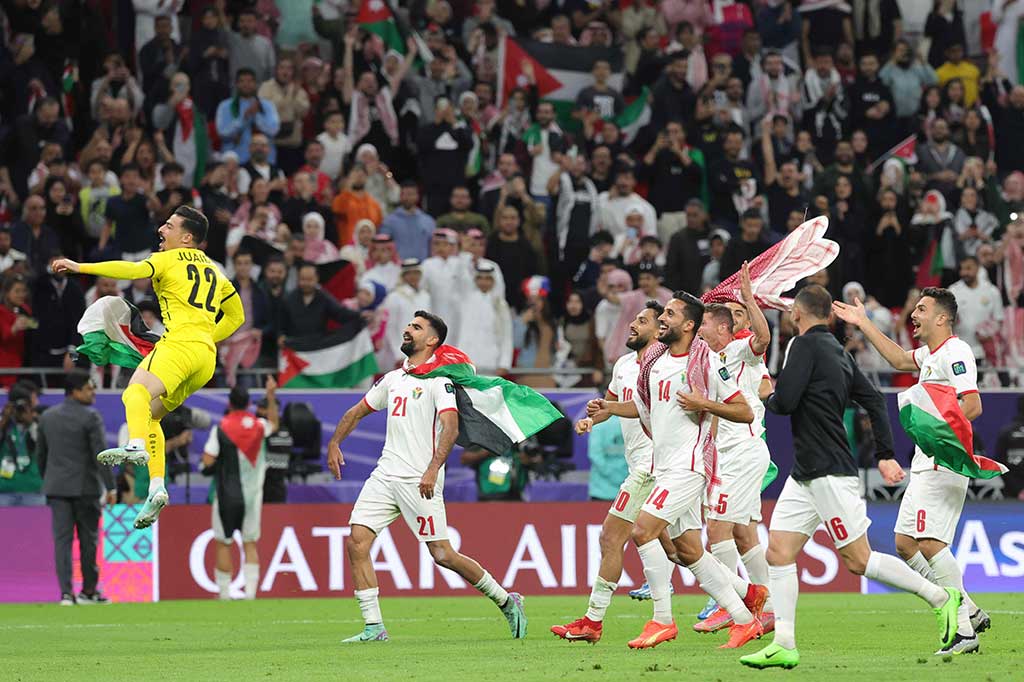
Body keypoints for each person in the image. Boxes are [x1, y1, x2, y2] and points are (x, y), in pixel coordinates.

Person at [740, 286, 963, 670]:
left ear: (796, 313)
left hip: (827, 471)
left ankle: (941, 598)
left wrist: (765, 393)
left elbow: (785, 403)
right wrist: (885, 454)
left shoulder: (802, 347)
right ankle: (784, 643)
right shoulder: (838, 353)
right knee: (778, 551)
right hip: (807, 472)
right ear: (829, 314)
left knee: (858, 560)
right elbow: (875, 399)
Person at [327, 311, 527, 642]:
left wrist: (433, 468)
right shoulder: (393, 379)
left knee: (443, 554)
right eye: (408, 325)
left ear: (432, 340)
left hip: (419, 479)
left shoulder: (439, 382)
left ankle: (507, 600)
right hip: (385, 475)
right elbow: (356, 411)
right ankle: (374, 626)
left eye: (416, 328)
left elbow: (450, 427)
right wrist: (335, 441)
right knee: (357, 541)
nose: (407, 330)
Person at [587, 293, 767, 650]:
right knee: (688, 551)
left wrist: (704, 403)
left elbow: (745, 412)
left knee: (642, 530)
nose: (663, 319)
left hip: (689, 466)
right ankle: (747, 612)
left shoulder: (708, 363)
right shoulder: (656, 363)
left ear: (689, 326)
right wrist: (606, 407)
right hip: (664, 465)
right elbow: (641, 408)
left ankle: (662, 620)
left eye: (670, 314)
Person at [52, 207, 245, 530]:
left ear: (187, 238)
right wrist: (204, 337)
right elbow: (236, 316)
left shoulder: (171, 258)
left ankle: (136, 445)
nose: (161, 229)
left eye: (169, 226)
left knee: (134, 395)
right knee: (151, 415)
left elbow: (131, 270)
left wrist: (79, 266)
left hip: (179, 346)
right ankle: (156, 486)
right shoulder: (215, 270)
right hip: (205, 358)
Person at [832, 286, 989, 655]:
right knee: (905, 543)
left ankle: (963, 630)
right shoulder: (931, 354)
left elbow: (973, 404)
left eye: (921, 309)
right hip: (926, 459)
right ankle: (966, 606)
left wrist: (940, 433)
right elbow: (900, 360)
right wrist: (864, 324)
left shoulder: (956, 351)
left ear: (942, 318)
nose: (913, 315)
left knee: (931, 542)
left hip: (943, 457)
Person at [550, 301, 667, 643]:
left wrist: (610, 407)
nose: (632, 324)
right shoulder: (624, 364)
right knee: (681, 550)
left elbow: (641, 408)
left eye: (642, 321)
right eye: (633, 319)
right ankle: (745, 602)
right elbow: (611, 404)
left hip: (654, 464)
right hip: (645, 464)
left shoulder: (664, 365)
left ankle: (594, 621)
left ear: (659, 329)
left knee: (611, 536)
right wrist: (593, 417)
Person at [692, 265, 775, 634]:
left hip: (742, 449)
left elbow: (764, 336)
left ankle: (733, 601)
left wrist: (748, 294)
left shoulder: (741, 349)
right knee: (743, 534)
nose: (699, 330)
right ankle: (769, 605)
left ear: (723, 328)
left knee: (717, 530)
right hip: (726, 453)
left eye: (704, 324)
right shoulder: (706, 358)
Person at [36, 371, 114, 605]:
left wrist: (50, 479)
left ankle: (66, 594)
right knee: (89, 541)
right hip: (85, 488)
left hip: (57, 488)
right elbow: (100, 456)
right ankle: (88, 592)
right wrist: (110, 487)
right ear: (75, 391)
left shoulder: (47, 417)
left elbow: (41, 455)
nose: (93, 392)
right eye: (89, 388)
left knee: (62, 542)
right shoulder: (91, 417)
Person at [202, 377, 278, 601]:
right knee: (250, 543)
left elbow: (207, 461)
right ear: (248, 404)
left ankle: (225, 595)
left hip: (226, 495)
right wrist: (271, 397)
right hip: (253, 496)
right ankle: (250, 595)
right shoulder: (259, 425)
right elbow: (274, 424)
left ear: (230, 403)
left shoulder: (221, 428)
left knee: (223, 543)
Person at [454, 263, 513, 373]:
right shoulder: (465, 301)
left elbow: (506, 336)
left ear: (493, 281)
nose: (484, 282)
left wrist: (504, 363)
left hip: (492, 362)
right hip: (467, 362)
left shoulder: (500, 304)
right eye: (480, 278)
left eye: (488, 279)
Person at [0, 382, 44, 506]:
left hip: (33, 489)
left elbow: (46, 445)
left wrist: (32, 422)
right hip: (4, 490)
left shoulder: (38, 424)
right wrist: (4, 421)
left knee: (36, 526)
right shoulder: (4, 423)